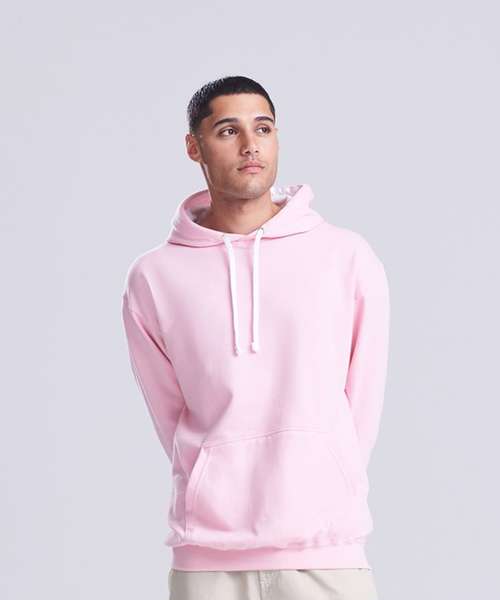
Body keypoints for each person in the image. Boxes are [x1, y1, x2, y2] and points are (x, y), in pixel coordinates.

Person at [121, 75, 390, 600]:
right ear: (194, 147)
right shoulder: (155, 276)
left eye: (263, 128)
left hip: (327, 553)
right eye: (228, 130)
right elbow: (169, 413)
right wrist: (213, 481)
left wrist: (324, 485)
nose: (250, 145)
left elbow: (362, 403)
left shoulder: (346, 257)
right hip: (208, 561)